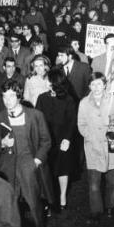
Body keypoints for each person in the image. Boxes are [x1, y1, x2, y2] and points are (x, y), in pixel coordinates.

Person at [0, 80, 52, 227]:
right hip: (7, 166)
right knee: (8, 204)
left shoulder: (35, 116)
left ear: (19, 96)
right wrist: (2, 143)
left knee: (33, 202)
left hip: (28, 164)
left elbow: (46, 141)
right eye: (4, 96)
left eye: (11, 96)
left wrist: (37, 160)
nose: (7, 100)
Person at [77, 73, 114, 222]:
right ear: (89, 86)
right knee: (93, 183)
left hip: (112, 145)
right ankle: (96, 211)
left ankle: (110, 206)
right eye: (93, 84)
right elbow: (81, 124)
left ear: (105, 84)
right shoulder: (84, 103)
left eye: (99, 84)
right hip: (93, 146)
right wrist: (91, 136)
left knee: (112, 180)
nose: (96, 88)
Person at [36, 68, 77, 210]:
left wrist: (67, 139)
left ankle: (63, 196)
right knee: (47, 171)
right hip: (46, 140)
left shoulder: (68, 99)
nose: (47, 83)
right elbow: (37, 120)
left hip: (62, 140)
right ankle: (48, 197)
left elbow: (72, 122)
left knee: (62, 169)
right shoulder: (42, 98)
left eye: (49, 81)